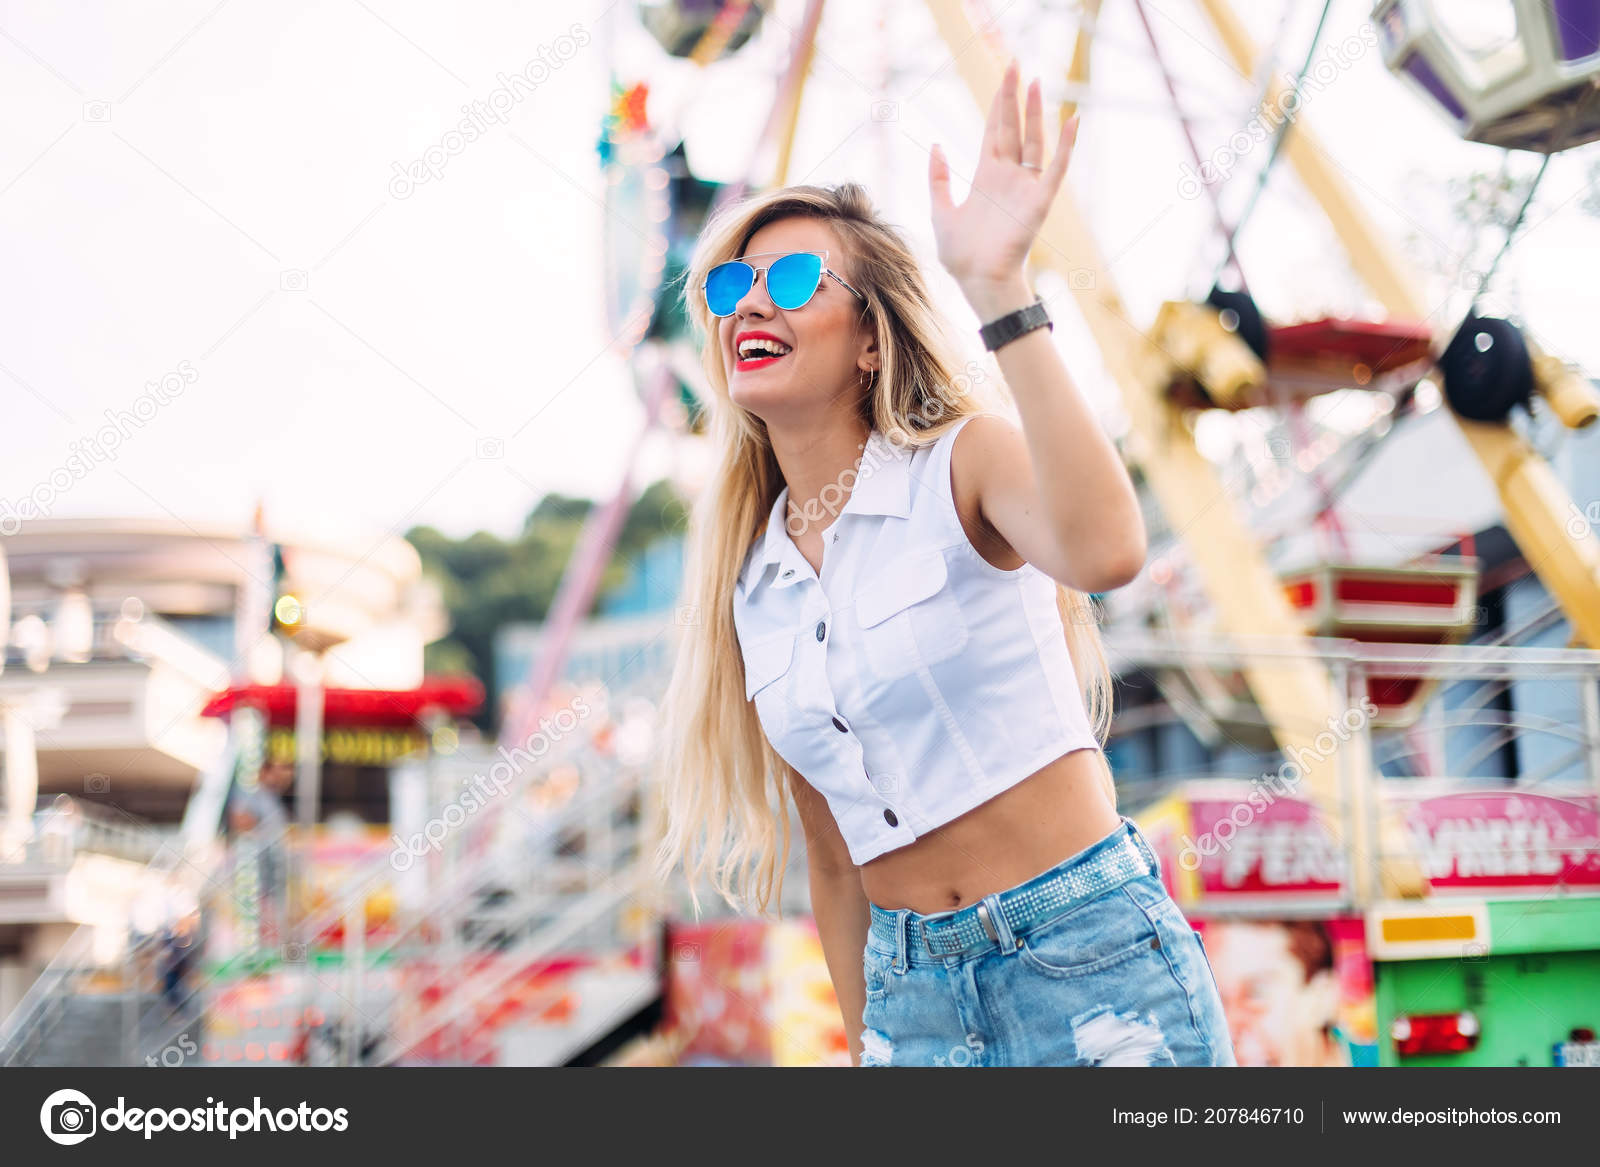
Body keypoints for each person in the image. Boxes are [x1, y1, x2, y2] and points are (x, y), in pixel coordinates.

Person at [653, 62, 1235, 1067]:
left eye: (792, 281)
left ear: (871, 341)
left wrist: (999, 290)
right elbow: (835, 866)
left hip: (1086, 957)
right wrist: (864, 1045)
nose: (751, 303)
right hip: (910, 999)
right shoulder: (749, 586)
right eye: (729, 285)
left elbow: (1106, 551)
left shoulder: (963, 463)